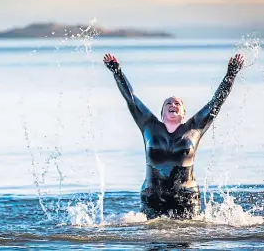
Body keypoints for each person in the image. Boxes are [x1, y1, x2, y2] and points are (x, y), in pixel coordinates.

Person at [103, 53, 244, 219]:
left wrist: (231, 74)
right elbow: (131, 98)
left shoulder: (195, 128)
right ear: (162, 113)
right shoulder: (149, 125)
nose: (173, 105)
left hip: (186, 200)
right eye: (168, 103)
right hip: (153, 198)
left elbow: (216, 102)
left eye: (177, 103)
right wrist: (117, 71)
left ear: (184, 113)